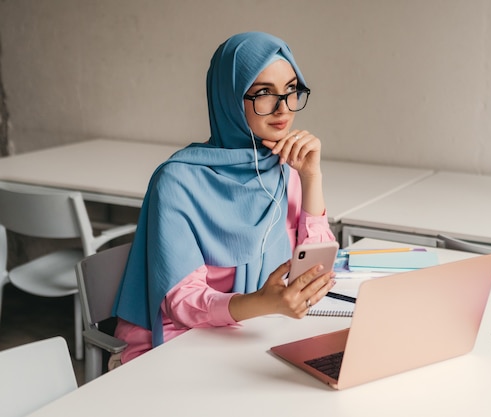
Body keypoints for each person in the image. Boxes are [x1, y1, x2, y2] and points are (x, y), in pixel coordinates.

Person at [110, 31, 337, 366]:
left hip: (254, 335)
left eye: (291, 90)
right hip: (175, 346)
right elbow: (181, 302)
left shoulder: (283, 168)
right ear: (229, 98)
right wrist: (263, 303)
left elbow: (316, 268)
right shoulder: (176, 182)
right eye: (263, 93)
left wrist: (311, 177)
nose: (283, 108)